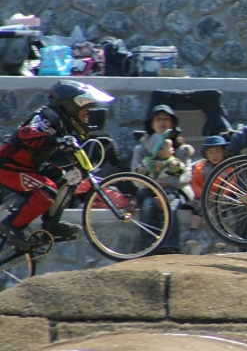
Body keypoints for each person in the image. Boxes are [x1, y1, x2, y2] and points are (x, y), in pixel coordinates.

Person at [0, 81, 114, 251]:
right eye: (85, 112)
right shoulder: (46, 118)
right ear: (72, 108)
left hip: (27, 166)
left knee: (65, 179)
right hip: (7, 166)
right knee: (46, 191)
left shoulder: (61, 122)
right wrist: (56, 140)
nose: (87, 118)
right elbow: (25, 134)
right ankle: (12, 226)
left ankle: (51, 224)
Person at [131, 104, 195, 254]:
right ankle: (148, 248)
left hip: (175, 191)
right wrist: (153, 184)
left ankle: (171, 247)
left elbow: (186, 176)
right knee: (147, 205)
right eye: (158, 119)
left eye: (166, 119)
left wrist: (167, 182)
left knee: (169, 205)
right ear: (151, 124)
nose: (162, 122)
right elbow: (135, 178)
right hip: (150, 191)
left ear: (172, 123)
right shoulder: (140, 150)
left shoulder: (181, 149)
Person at [187, 135, 229, 250]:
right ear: (206, 154)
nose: (214, 155)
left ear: (224, 152)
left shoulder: (229, 167)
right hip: (205, 195)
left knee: (220, 207)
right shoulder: (200, 167)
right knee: (198, 207)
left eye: (218, 151)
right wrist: (204, 194)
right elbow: (195, 183)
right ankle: (193, 232)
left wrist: (220, 194)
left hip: (223, 196)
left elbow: (232, 183)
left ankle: (221, 234)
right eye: (211, 152)